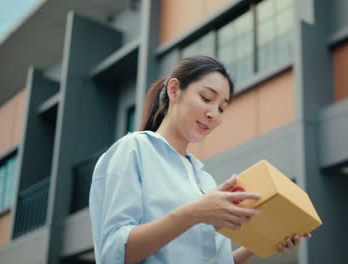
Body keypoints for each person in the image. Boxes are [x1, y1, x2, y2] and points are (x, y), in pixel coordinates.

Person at [89, 56, 310, 264]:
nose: (214, 114)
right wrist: (195, 212)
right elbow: (113, 252)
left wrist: (263, 241)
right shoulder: (134, 150)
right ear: (174, 90)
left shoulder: (204, 180)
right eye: (206, 98)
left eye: (222, 108)